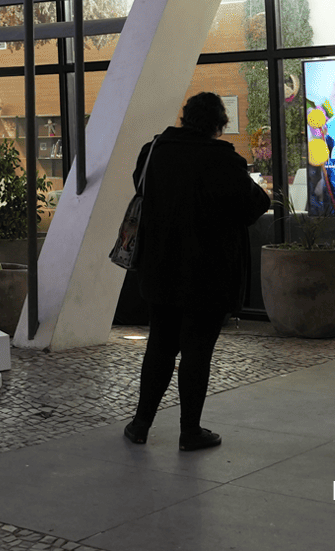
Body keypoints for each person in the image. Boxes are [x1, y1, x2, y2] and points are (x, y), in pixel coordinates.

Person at [124, 91, 269, 451]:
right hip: (208, 273)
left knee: (159, 344)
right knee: (197, 351)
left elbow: (141, 189)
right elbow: (255, 205)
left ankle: (140, 425)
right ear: (219, 124)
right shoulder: (222, 160)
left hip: (159, 268)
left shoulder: (153, 150)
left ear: (185, 117)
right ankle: (190, 431)